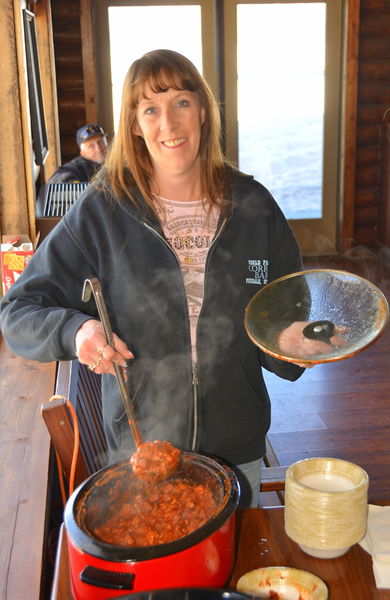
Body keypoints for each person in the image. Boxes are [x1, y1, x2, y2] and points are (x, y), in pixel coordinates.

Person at [1, 50, 308, 508]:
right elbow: (18, 311)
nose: (169, 123)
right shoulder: (102, 208)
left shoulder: (253, 205)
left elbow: (285, 312)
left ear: (203, 111)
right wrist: (77, 330)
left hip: (237, 446)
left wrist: (298, 343)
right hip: (141, 451)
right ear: (134, 124)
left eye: (182, 102)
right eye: (150, 108)